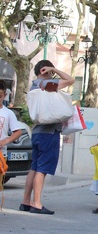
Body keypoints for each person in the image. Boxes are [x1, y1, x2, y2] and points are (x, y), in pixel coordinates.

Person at [21, 60, 74, 215]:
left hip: (37, 132)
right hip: (49, 133)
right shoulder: (48, 84)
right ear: (45, 71)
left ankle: (25, 201)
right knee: (42, 170)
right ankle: (36, 203)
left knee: (34, 167)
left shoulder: (34, 86)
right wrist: (54, 69)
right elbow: (70, 80)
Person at [0, 80, 23, 174]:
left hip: (1, 154)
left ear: (5, 95)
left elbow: (18, 131)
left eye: (0, 96)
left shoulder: (8, 113)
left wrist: (5, 141)